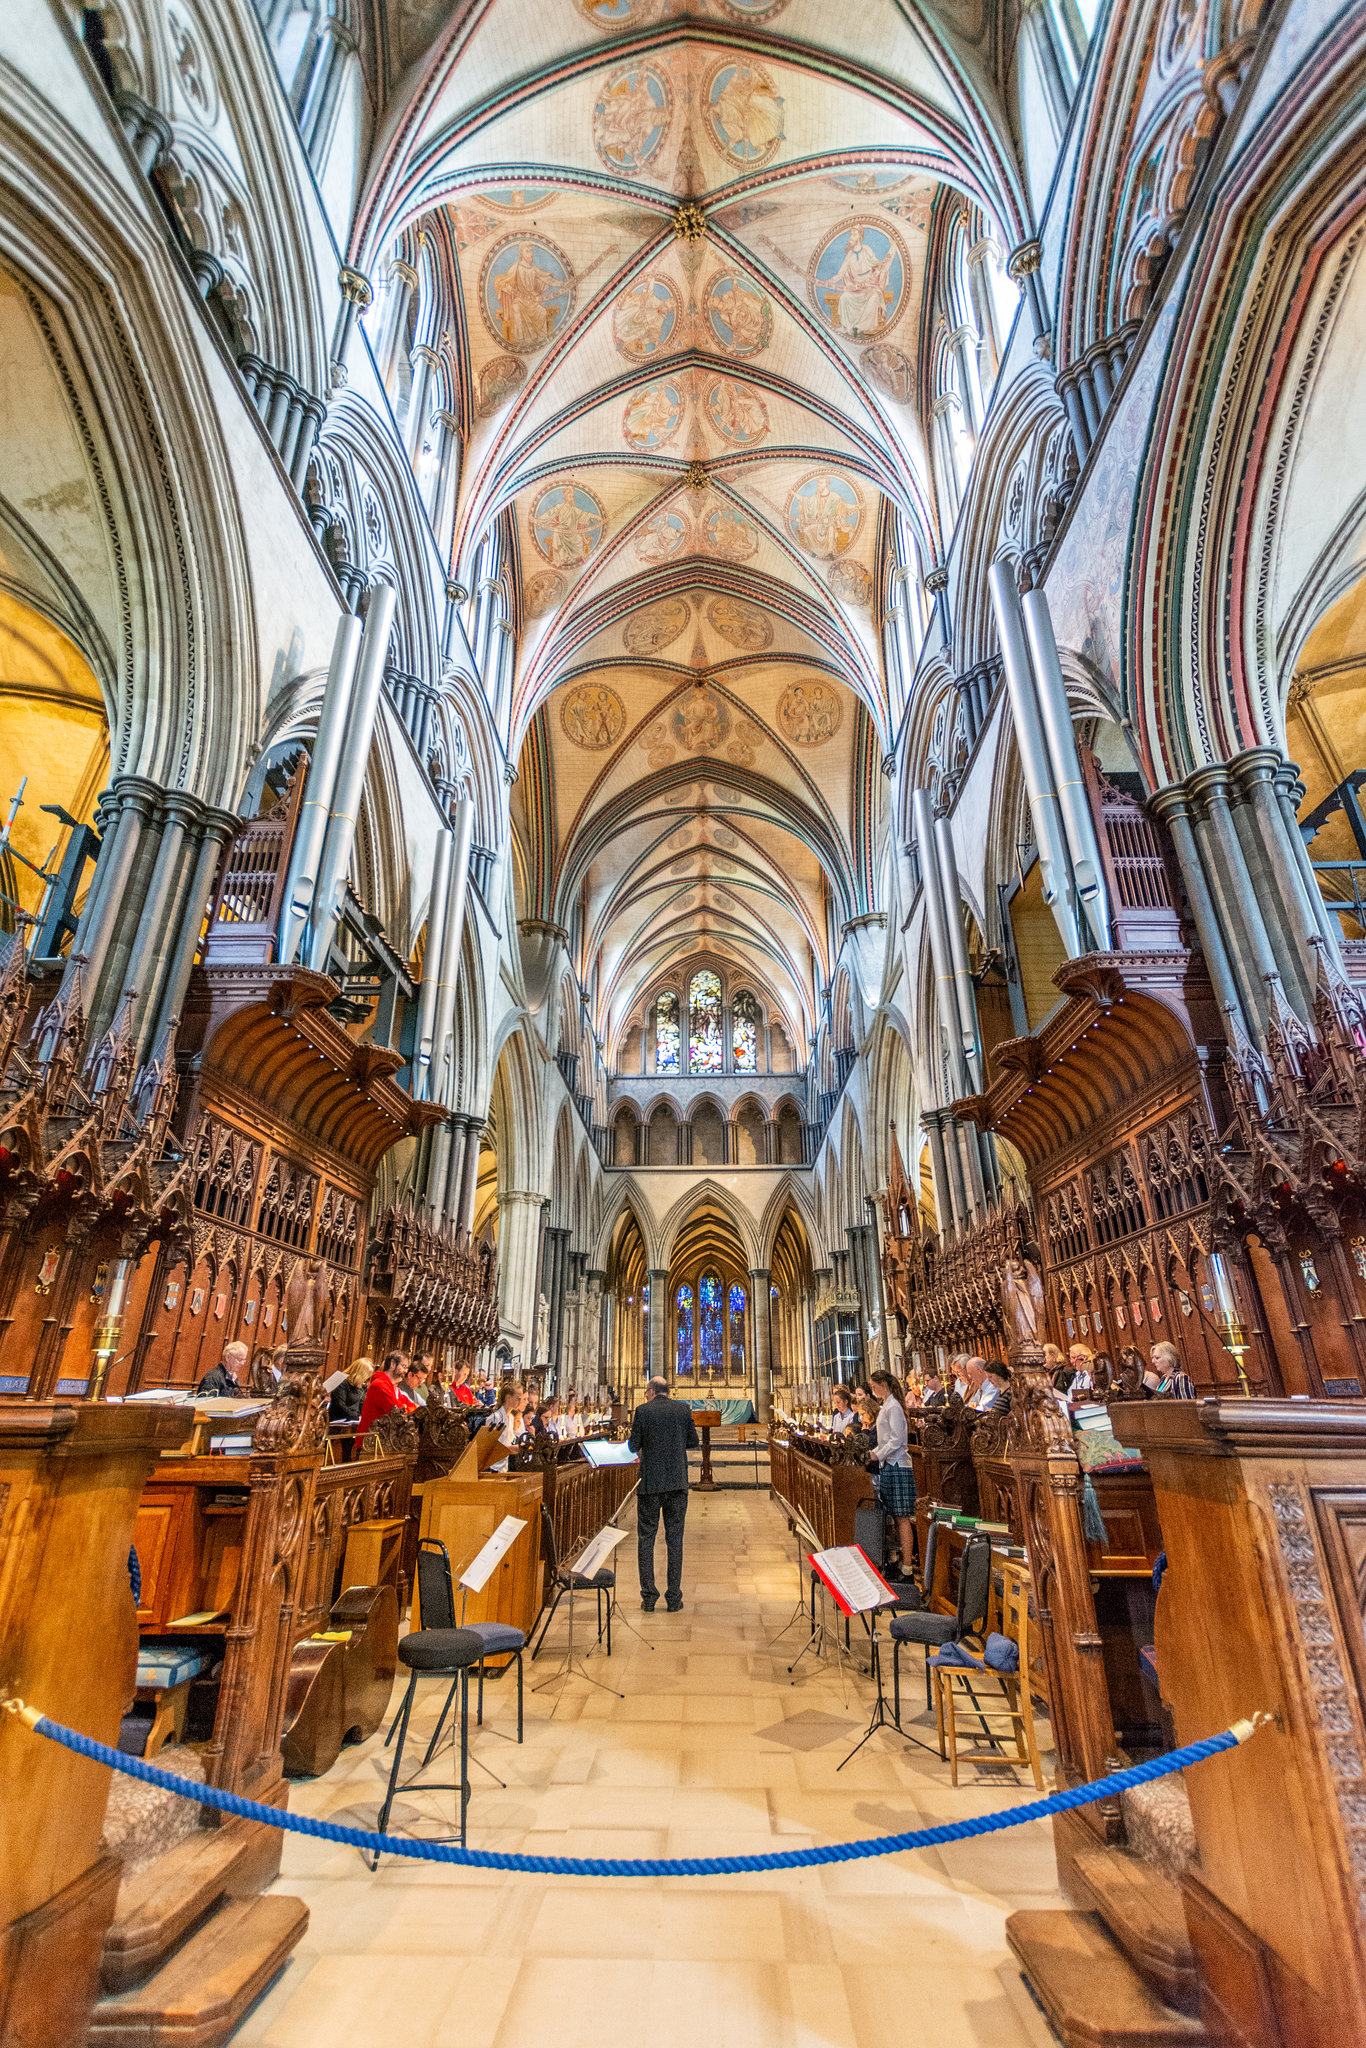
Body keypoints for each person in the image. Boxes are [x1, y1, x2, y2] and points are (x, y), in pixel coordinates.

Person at [628, 1376, 700, 1612]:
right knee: (675, 1540)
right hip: (677, 1483)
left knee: (646, 1539)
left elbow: (633, 1445)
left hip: (650, 1484)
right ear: (668, 1391)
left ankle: (649, 1597)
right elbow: (693, 1441)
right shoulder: (682, 1410)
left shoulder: (643, 1411)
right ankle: (674, 1598)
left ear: (650, 1391)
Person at [868, 1369, 916, 1571]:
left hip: (898, 1465)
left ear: (883, 1385)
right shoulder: (886, 1405)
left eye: (873, 1386)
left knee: (902, 1517)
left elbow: (897, 1439)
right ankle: (896, 1560)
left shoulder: (894, 1407)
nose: (872, 1390)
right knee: (893, 1516)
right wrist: (875, 1452)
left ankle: (907, 1566)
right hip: (888, 1464)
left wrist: (877, 1454)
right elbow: (885, 1439)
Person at [357, 1350, 409, 1436]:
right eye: (404, 1366)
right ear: (392, 1364)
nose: (406, 1371)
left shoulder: (391, 1386)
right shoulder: (380, 1385)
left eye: (407, 1368)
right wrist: (404, 1407)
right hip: (372, 1440)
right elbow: (397, 1411)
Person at [487, 1380, 528, 1471]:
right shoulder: (495, 1418)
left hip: (504, 1466)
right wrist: (514, 1448)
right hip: (493, 1467)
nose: (520, 1401)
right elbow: (490, 1447)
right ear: (508, 1398)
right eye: (518, 1398)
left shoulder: (511, 1418)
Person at [329, 1353, 372, 1423]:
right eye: (366, 1376)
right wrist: (357, 1417)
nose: (367, 1379)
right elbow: (340, 1406)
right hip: (339, 1421)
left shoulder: (362, 1386)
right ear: (359, 1373)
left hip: (354, 1421)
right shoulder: (340, 1380)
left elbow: (362, 1405)